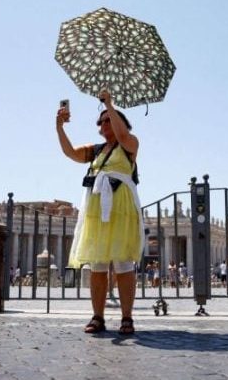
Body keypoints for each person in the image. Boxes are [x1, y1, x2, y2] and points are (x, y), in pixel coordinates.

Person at [57, 90, 143, 335]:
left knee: (123, 264)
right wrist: (59, 127)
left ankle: (127, 317)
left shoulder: (130, 144)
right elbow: (71, 153)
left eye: (109, 120)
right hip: (97, 209)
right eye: (101, 121)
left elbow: (122, 134)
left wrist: (109, 104)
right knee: (98, 265)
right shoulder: (96, 151)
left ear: (120, 122)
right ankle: (98, 316)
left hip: (121, 208)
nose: (104, 124)